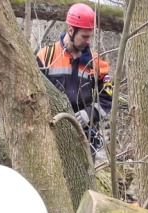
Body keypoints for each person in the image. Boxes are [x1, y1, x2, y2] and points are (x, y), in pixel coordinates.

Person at [36, 3, 112, 153]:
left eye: (90, 36)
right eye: (84, 36)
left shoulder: (97, 64)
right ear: (71, 30)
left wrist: (89, 114)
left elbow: (107, 99)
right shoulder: (45, 57)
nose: (88, 41)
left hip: (84, 139)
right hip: (52, 136)